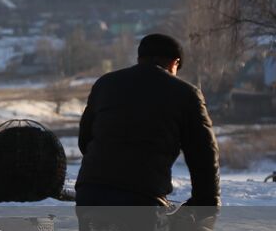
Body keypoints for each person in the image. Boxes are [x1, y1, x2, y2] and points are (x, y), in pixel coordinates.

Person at [76, 32, 221, 208]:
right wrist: (206, 201)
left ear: (140, 58)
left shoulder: (105, 83)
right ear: (175, 62)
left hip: (91, 191)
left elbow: (85, 140)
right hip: (144, 195)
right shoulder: (185, 94)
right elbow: (203, 154)